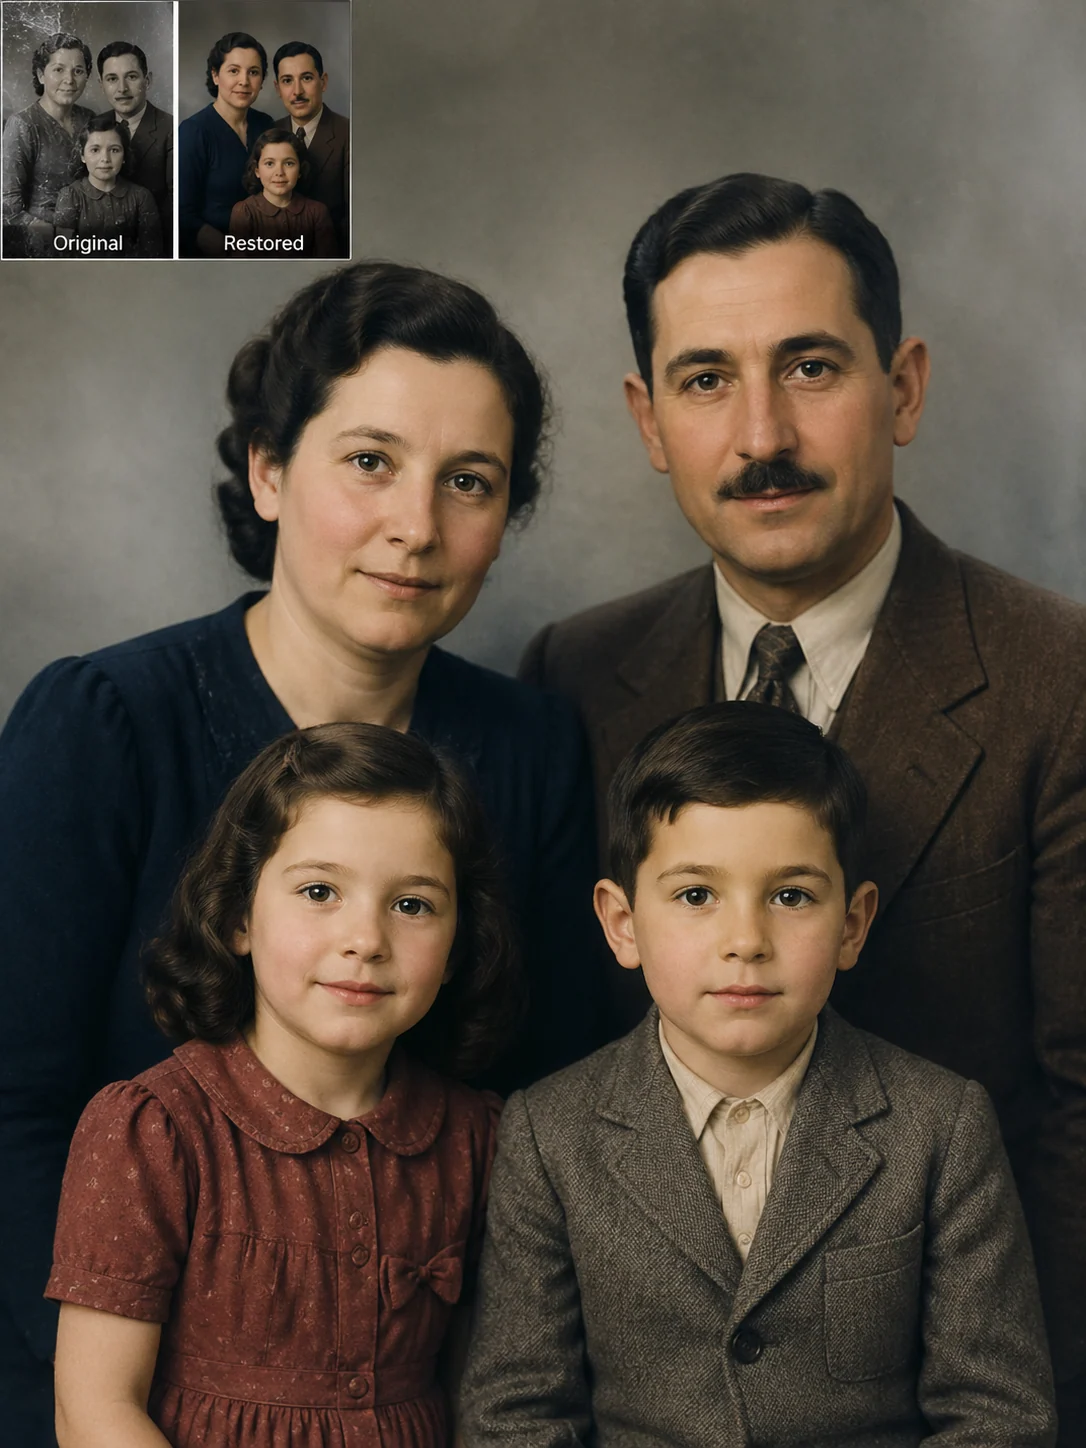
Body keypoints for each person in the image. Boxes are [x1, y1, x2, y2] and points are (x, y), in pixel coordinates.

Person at [519, 171, 1086, 1437]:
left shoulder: (1061, 680)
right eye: (706, 378)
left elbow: (1079, 1113)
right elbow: (558, 1076)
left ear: (906, 388)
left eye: (813, 366)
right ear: (649, 417)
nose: (761, 432)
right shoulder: (570, 674)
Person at [0, 261, 604, 1447]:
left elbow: (552, 1105)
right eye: (369, 460)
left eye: (468, 481)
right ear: (271, 470)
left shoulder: (529, 744)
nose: (416, 525)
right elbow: (9, 1105)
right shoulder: (104, 724)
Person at [461, 703, 1057, 1447]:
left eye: (791, 896)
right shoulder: (549, 1132)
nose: (746, 941)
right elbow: (514, 1415)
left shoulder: (941, 1125)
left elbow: (999, 1417)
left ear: (853, 924)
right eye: (696, 896)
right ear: (622, 924)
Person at [48, 722, 515, 1445]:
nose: (365, 939)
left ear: (458, 947)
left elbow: (485, 1397)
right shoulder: (154, 1130)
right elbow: (94, 1409)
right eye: (321, 891)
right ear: (238, 915)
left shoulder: (479, 1138)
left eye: (412, 904)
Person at [177, 31, 274, 257]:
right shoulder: (194, 132)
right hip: (217, 254)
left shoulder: (266, 125)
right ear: (215, 75)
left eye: (254, 72)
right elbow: (184, 215)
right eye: (234, 71)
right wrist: (233, 252)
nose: (244, 81)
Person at [1, 32, 93, 257]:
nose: (69, 80)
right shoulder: (22, 124)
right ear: (41, 75)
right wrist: (53, 234)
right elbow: (7, 204)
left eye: (78, 71)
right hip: (40, 243)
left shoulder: (89, 119)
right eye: (59, 70)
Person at [271, 41, 349, 256]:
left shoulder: (349, 134)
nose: (297, 91)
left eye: (306, 78)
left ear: (323, 82)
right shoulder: (268, 133)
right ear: (278, 88)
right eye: (287, 81)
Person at [97, 41, 173, 254]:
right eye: (112, 79)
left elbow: (174, 208)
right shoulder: (94, 127)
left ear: (147, 81)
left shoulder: (170, 129)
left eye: (131, 77)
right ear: (101, 84)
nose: (122, 89)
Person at [53, 113, 162, 259]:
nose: (105, 159)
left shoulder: (141, 197)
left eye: (114, 150)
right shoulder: (70, 196)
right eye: (95, 150)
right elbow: (63, 253)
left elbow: (152, 253)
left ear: (124, 156)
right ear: (83, 156)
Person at [227, 127, 338, 257]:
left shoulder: (317, 212)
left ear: (301, 170)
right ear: (257, 170)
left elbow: (327, 264)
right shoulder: (244, 212)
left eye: (289, 164)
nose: (279, 172)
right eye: (269, 163)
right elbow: (238, 266)